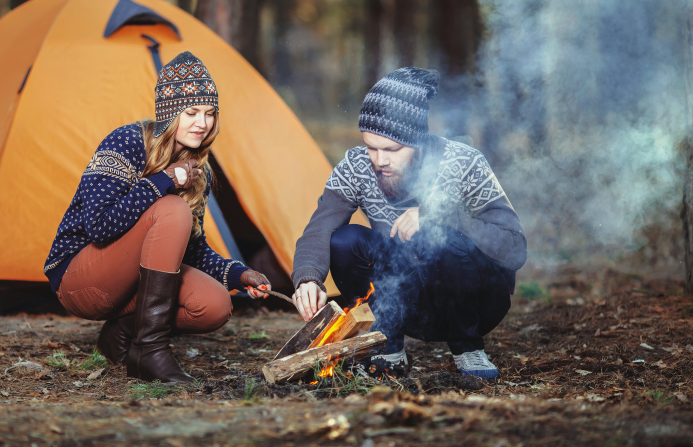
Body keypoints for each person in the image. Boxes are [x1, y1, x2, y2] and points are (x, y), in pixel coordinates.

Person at [44, 51, 271, 383]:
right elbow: (98, 227)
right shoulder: (126, 143)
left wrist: (240, 274)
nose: (202, 123)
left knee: (215, 304)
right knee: (172, 208)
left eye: (209, 113)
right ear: (169, 113)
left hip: (131, 286)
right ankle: (150, 350)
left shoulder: (197, 170)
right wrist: (164, 180)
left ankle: (121, 335)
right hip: (79, 278)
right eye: (191, 112)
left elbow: (190, 250)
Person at [291, 67, 526, 379]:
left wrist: (440, 218)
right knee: (345, 240)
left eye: (392, 149)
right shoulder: (357, 166)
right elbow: (320, 228)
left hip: (476, 302)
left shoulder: (463, 162)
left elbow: (514, 247)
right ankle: (386, 345)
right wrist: (307, 277)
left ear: (418, 141)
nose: (379, 160)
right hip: (408, 304)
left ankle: (468, 349)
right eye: (371, 146)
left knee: (439, 233)